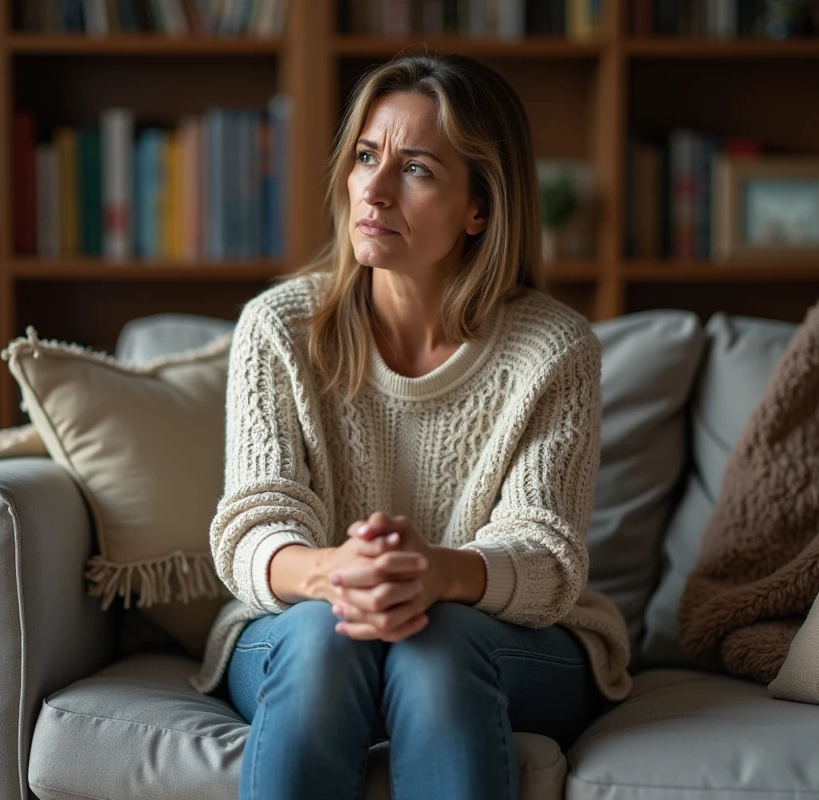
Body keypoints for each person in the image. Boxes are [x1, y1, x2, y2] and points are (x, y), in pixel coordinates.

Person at [199, 51, 632, 800]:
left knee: (435, 639)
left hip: (500, 638)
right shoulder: (279, 328)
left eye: (418, 169)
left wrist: (437, 574)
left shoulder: (554, 351)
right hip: (307, 622)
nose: (373, 187)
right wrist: (343, 574)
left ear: (480, 208)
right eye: (366, 156)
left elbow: (545, 556)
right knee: (326, 632)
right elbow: (252, 526)